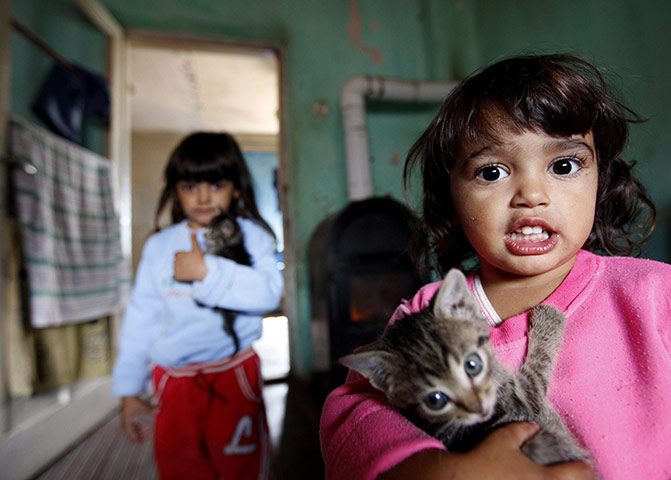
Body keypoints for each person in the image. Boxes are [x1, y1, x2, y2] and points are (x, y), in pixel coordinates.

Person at [320, 54, 671, 480]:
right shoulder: (428, 309)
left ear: (601, 182)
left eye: (563, 166)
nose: (531, 194)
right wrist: (436, 471)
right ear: (451, 203)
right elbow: (356, 409)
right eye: (492, 172)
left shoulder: (654, 294)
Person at [112, 132, 283, 479]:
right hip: (172, 382)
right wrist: (129, 389)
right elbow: (141, 316)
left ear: (236, 188)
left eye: (216, 184)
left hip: (233, 374)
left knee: (241, 466)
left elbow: (269, 293)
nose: (203, 197)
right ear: (175, 190)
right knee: (180, 467)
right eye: (190, 186)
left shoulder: (254, 236)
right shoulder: (159, 246)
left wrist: (207, 271)